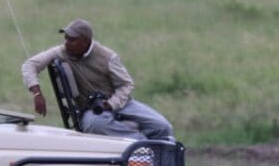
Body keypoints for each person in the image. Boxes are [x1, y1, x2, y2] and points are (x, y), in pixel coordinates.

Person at [21, 19, 174, 142]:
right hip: (90, 109)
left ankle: (161, 160)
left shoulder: (107, 57)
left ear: (86, 41)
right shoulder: (61, 52)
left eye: (72, 39)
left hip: (121, 103)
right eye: (66, 37)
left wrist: (111, 104)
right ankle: (143, 147)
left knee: (163, 127)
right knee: (97, 124)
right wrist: (37, 93)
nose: (66, 42)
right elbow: (30, 65)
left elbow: (126, 84)